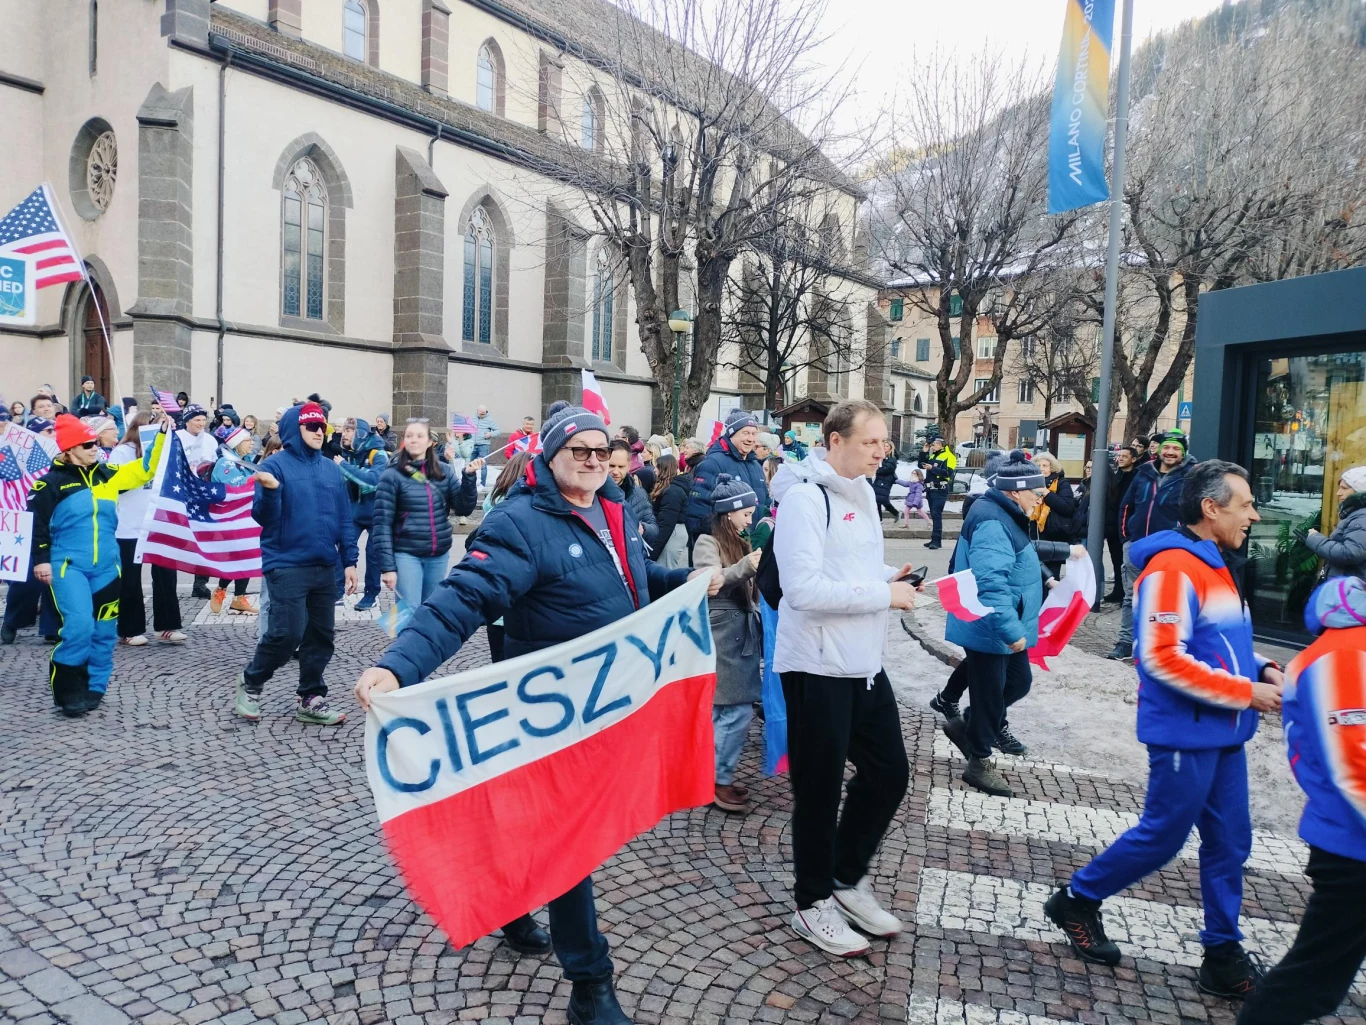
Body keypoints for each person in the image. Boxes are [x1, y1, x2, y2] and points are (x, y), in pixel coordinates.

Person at [354, 404, 723, 1025]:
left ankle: (515, 903)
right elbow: (459, 602)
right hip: (551, 715)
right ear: (549, 455)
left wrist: (689, 581)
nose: (594, 459)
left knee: (554, 829)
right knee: (569, 843)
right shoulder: (519, 524)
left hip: (606, 704)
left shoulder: (617, 509)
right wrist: (399, 666)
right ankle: (591, 984)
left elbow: (635, 578)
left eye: (602, 449)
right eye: (579, 449)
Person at [1044, 460, 1282, 999]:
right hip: (1185, 732)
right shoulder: (1175, 568)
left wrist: (1262, 666)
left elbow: (1221, 641)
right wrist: (1247, 691)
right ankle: (1077, 899)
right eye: (1244, 504)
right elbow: (1160, 659)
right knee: (1163, 836)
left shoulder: (1215, 562)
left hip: (1223, 729)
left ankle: (1222, 953)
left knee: (1230, 842)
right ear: (1210, 508)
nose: (1254, 514)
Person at [771, 398, 919, 958]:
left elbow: (846, 569)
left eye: (884, 441)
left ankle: (845, 875)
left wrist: (890, 575)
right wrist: (885, 593)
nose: (883, 451)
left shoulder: (858, 492)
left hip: (863, 662)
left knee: (889, 773)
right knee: (818, 787)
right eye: (872, 441)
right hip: (815, 666)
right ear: (835, 441)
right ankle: (811, 903)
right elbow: (802, 590)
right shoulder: (805, 500)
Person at [1236, 576, 1366, 1025]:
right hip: (1352, 845)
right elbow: (1352, 762)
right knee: (1312, 982)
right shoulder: (1344, 653)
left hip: (1351, 837)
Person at [30, 414, 167, 716]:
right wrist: (41, 561)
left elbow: (146, 470)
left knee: (105, 631)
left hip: (107, 567)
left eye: (95, 442)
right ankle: (68, 691)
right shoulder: (49, 483)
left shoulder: (107, 473)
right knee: (79, 626)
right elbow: (35, 525)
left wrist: (161, 434)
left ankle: (95, 686)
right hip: (68, 567)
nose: (94, 448)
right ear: (68, 450)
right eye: (87, 444)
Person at [232, 402, 357, 726]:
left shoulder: (331, 468)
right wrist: (271, 493)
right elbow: (263, 518)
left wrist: (350, 561)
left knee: (321, 635)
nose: (320, 431)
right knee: (286, 635)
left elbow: (345, 518)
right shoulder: (275, 467)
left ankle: (311, 697)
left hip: (324, 566)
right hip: (285, 564)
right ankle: (251, 681)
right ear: (293, 430)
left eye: (323, 426)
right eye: (312, 426)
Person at [938, 451, 1048, 795]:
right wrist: (1011, 630)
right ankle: (979, 763)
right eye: (1037, 492)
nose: (1040, 497)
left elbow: (1020, 553)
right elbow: (991, 581)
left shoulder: (1004, 511)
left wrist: (1060, 556)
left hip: (998, 623)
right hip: (991, 625)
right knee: (990, 694)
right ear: (1016, 491)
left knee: (1017, 682)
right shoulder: (993, 520)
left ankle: (968, 727)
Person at [693, 474, 763, 814]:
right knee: (731, 712)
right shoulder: (708, 541)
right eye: (745, 513)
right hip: (723, 635)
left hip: (740, 633)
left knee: (728, 711)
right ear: (729, 513)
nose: (749, 519)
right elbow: (712, 581)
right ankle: (715, 780)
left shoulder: (740, 539)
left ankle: (715, 775)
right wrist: (747, 566)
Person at [371, 419, 480, 616]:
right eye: (409, 435)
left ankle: (424, 646)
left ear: (430, 442)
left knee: (431, 609)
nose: (414, 440)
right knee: (406, 609)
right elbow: (381, 524)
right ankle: (402, 647)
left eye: (420, 436)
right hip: (406, 553)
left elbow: (463, 507)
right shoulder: (392, 475)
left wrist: (469, 477)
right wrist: (387, 567)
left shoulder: (444, 471)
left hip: (438, 554)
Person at [1110, 430, 1197, 660]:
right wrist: (1126, 538)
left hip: (1170, 550)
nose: (1170, 452)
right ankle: (1125, 642)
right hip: (1137, 545)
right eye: (1167, 447)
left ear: (1183, 452)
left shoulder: (1192, 477)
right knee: (1132, 597)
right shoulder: (1144, 472)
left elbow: (1196, 515)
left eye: (1176, 449)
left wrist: (1184, 543)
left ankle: (1162, 646)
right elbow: (1127, 506)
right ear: (1159, 449)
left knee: (1168, 599)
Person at [109, 414, 186, 646]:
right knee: (130, 580)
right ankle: (129, 630)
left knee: (165, 577)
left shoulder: (163, 451)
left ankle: (167, 626)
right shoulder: (122, 452)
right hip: (129, 526)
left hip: (157, 523)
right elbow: (115, 485)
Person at [479, 450, 534, 662]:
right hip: (517, 601)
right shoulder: (524, 508)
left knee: (499, 659)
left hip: (495, 599)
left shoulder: (492, 506)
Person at [684, 410, 771, 540]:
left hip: (753, 546)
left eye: (754, 434)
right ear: (731, 434)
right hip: (725, 547)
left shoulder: (756, 466)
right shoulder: (712, 464)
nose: (750, 439)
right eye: (745, 433)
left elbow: (764, 503)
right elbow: (697, 515)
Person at [205, 427, 261, 615]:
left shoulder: (244, 462)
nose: (251, 443)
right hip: (229, 517)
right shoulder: (225, 463)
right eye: (247, 441)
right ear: (236, 444)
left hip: (245, 516)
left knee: (245, 555)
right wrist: (256, 479)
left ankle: (239, 598)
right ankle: (221, 590)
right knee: (236, 557)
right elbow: (237, 486)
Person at [336, 417, 390, 612]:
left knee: (373, 555)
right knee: (344, 548)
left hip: (378, 513)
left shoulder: (378, 454)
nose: (344, 434)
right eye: (344, 430)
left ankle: (371, 594)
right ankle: (337, 591)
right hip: (355, 511)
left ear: (360, 433)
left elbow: (372, 482)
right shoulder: (347, 453)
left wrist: (346, 467)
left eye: (349, 430)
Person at [178, 404, 220, 599]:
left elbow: (215, 464)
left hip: (203, 492)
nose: (201, 423)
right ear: (187, 421)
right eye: (197, 420)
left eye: (203, 420)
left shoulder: (210, 440)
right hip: (182, 492)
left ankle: (200, 583)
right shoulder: (177, 438)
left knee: (205, 537)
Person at [1300, 465, 1366, 580]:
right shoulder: (1357, 514)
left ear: (1360, 490)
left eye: (1344, 488)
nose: (1338, 493)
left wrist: (1315, 538)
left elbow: (1351, 554)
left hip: (1350, 591)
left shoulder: (1362, 516)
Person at [607, 439, 658, 549]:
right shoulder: (590, 492)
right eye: (611, 466)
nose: (615, 472)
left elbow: (653, 529)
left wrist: (642, 529)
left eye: (621, 467)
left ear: (629, 466)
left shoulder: (639, 494)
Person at [1031, 453, 1076, 577]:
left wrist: (1046, 493)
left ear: (1052, 468)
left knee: (1051, 575)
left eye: (1045, 465)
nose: (1041, 468)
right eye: (1038, 465)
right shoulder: (1030, 483)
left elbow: (1067, 508)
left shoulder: (1061, 483)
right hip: (1034, 536)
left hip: (1054, 536)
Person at [1104, 447, 1138, 602]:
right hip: (1114, 525)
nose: (1121, 458)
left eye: (1125, 456)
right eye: (1119, 456)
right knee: (1116, 560)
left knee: (1128, 563)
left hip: (1128, 525)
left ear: (1134, 459)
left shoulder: (1136, 477)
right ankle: (1118, 590)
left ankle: (1127, 593)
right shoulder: (1116, 476)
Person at [649, 454, 689, 568]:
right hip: (672, 532)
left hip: (672, 534)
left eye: (656, 467)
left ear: (663, 469)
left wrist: (653, 553)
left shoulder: (672, 492)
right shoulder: (670, 489)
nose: (654, 470)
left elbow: (666, 525)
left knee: (665, 569)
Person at [918, 436, 956, 550]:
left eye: (934, 444)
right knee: (934, 515)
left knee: (936, 514)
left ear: (941, 444)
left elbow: (948, 473)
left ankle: (936, 541)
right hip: (931, 489)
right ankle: (934, 539)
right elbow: (921, 465)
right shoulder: (933, 455)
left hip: (940, 490)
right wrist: (923, 453)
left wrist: (932, 469)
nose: (932, 446)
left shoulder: (950, 457)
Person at [872, 440, 900, 522]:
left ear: (891, 448)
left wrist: (876, 470)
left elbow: (888, 469)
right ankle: (879, 519)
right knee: (876, 499)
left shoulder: (892, 458)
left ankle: (895, 513)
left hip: (886, 480)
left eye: (887, 446)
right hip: (879, 479)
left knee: (882, 498)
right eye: (884, 446)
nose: (885, 447)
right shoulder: (881, 456)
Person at [472, 404, 498, 486]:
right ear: (477, 411)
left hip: (484, 445)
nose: (483, 415)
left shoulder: (490, 420)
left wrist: (491, 434)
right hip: (472, 444)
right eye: (481, 413)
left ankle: (482, 484)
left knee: (483, 465)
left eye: (484, 413)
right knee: (470, 464)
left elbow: (498, 430)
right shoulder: (472, 418)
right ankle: (470, 483)